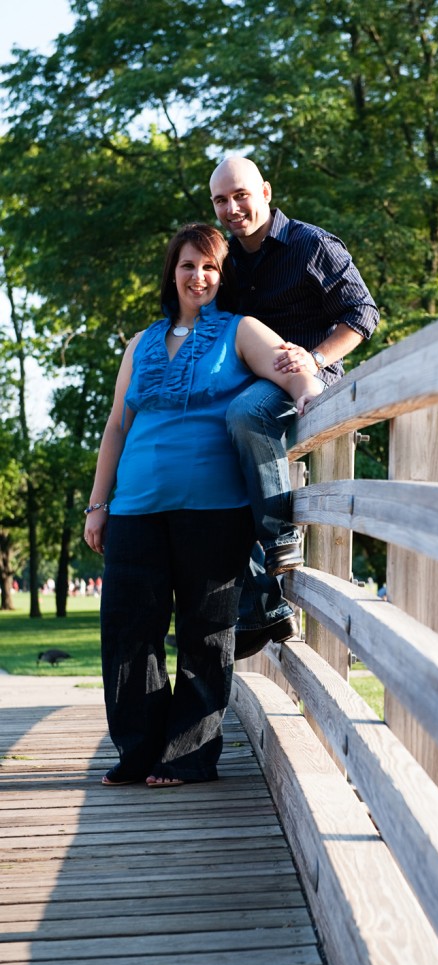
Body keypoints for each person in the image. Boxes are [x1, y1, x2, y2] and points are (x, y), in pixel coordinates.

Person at [84, 223, 321, 788]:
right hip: (136, 507)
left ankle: (188, 755)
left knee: (205, 633)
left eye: (211, 267)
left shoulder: (240, 331)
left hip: (215, 511)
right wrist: (99, 504)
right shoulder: (139, 344)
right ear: (173, 272)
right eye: (189, 265)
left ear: (222, 276)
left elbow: (293, 370)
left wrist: (307, 388)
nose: (199, 276)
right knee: (128, 630)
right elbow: (118, 426)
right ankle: (138, 750)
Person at [209, 156, 380, 659]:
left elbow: (363, 313)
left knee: (246, 414)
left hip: (308, 377)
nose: (232, 208)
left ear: (264, 191)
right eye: (221, 200)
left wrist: (318, 355)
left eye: (240, 195)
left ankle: (281, 533)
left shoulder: (312, 245)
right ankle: (265, 605)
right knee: (203, 456)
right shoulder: (228, 260)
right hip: (251, 381)